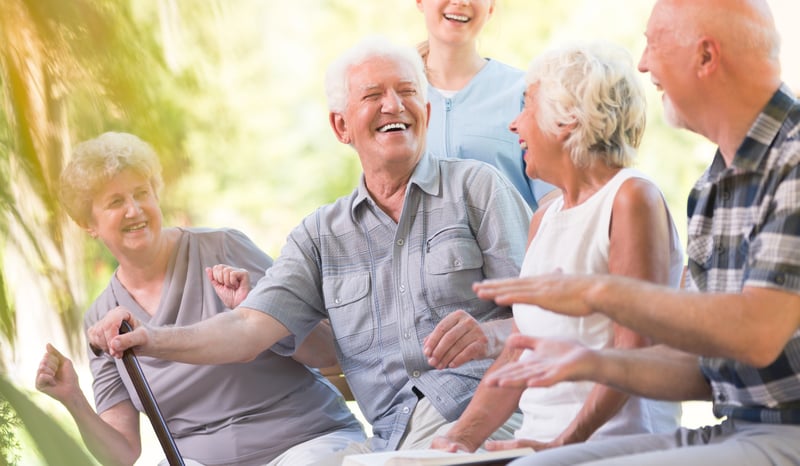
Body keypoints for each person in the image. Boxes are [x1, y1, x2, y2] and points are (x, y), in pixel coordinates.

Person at [86, 36, 532, 461]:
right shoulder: (320, 236)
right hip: (392, 441)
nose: (393, 105)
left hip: (488, 419)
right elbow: (245, 330)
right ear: (341, 126)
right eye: (373, 94)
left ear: (427, 113)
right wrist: (150, 339)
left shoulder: (477, 188)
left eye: (407, 91)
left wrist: (490, 335)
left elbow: (548, 319)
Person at [472, 0, 800, 464]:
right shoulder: (713, 185)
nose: (643, 64)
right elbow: (707, 369)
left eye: (655, 42)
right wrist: (593, 362)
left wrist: (598, 292)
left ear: (706, 57)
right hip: (735, 426)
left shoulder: (793, 159)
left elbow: (758, 334)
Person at [35, 132, 365, 466]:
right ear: (87, 223)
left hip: (304, 443)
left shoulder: (223, 248)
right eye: (116, 202)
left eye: (141, 193)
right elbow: (122, 452)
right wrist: (72, 398)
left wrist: (264, 312)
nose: (135, 210)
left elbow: (329, 353)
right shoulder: (102, 318)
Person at [431, 41, 683, 455]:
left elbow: (632, 352)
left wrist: (558, 447)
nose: (514, 126)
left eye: (526, 107)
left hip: (618, 445)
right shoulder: (544, 216)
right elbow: (520, 348)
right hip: (541, 447)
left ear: (565, 119)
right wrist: (461, 439)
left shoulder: (631, 198)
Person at [415, 0, 555, 209]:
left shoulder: (525, 93)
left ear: (490, 7)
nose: (460, 2)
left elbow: (553, 201)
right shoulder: (395, 97)